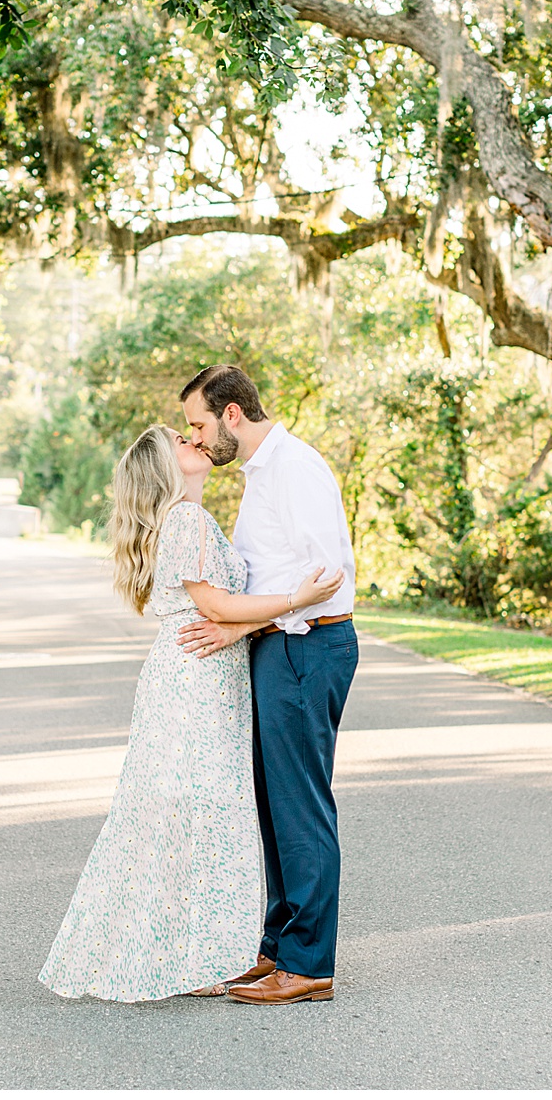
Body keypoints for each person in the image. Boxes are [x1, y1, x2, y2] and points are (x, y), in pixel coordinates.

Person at [39, 424, 342, 1003]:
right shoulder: (187, 522)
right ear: (166, 469)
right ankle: (194, 956)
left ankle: (187, 952)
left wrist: (247, 623)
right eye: (182, 439)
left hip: (193, 672)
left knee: (182, 809)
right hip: (197, 678)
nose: (195, 441)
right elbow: (216, 604)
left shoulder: (186, 522)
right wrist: (295, 601)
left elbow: (221, 611)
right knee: (202, 809)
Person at [177, 364, 359, 1006]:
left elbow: (325, 575)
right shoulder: (260, 475)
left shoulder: (295, 468)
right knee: (275, 802)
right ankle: (279, 948)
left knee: (301, 803)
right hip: (278, 647)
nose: (195, 440)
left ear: (231, 413)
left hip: (309, 648)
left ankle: (309, 962)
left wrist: (248, 626)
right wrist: (241, 630)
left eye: (199, 424)